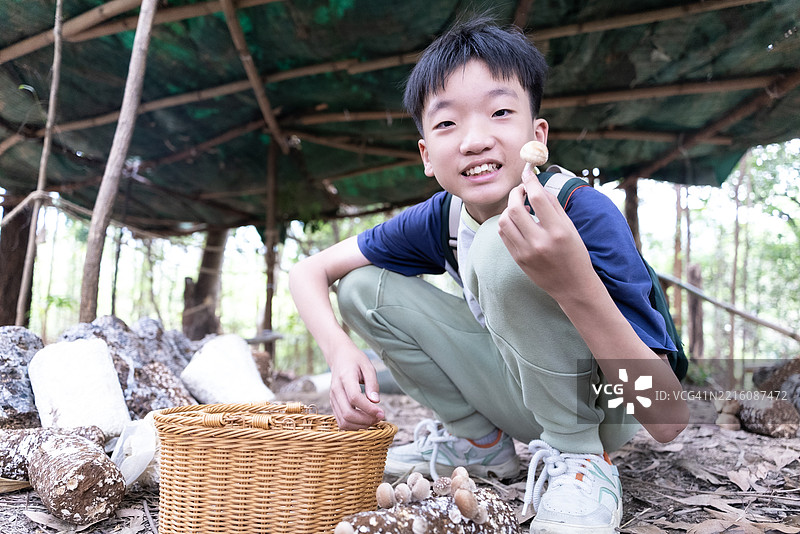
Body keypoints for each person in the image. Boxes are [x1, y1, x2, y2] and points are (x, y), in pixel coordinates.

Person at [289, 17, 688, 534]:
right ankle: (479, 443)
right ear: (427, 155)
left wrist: (572, 282)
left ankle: (582, 460)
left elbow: (667, 419)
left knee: (504, 247)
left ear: (536, 135)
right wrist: (340, 352)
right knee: (364, 287)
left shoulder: (582, 212)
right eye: (447, 123)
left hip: (604, 405)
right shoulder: (444, 216)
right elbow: (310, 271)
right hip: (520, 389)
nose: (475, 140)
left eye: (500, 112)